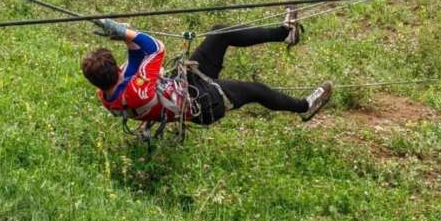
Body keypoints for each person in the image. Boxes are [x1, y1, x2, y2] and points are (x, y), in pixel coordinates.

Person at [80, 8, 333, 129]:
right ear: (115, 69)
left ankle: (284, 34)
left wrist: (123, 35)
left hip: (186, 85)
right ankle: (305, 106)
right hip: (202, 103)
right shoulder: (136, 91)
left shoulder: (106, 92)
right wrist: (125, 32)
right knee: (255, 90)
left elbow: (136, 57)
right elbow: (156, 48)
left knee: (219, 34)